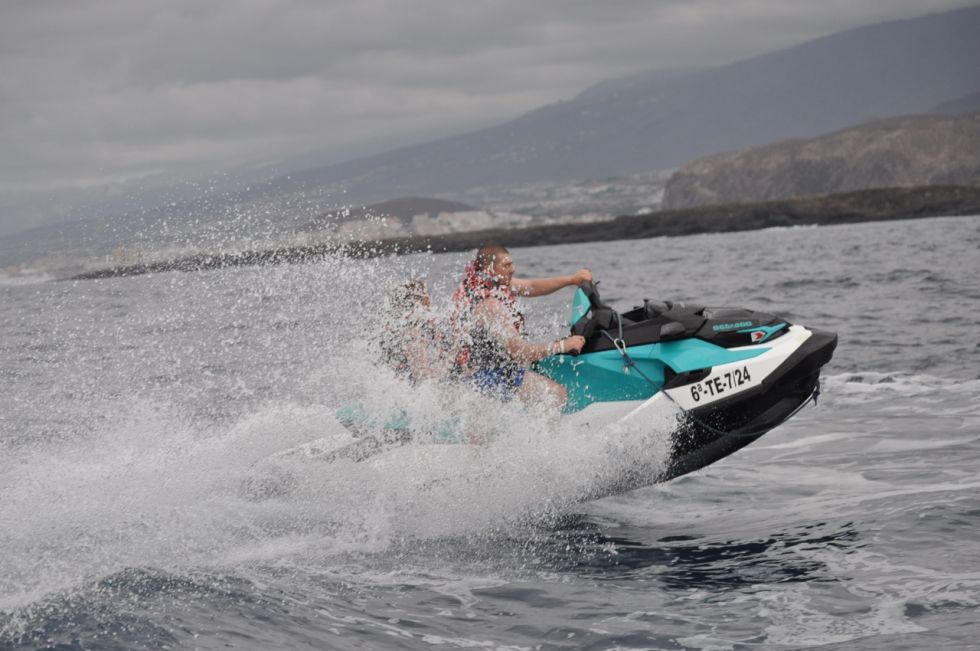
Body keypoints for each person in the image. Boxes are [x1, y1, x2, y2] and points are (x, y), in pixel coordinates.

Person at [451, 244, 590, 410]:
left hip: (490, 369)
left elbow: (531, 286)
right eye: (507, 265)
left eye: (512, 264)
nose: (513, 269)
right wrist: (563, 346)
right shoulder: (489, 305)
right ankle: (540, 436)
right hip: (482, 377)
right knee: (555, 394)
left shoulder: (489, 284)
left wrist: (571, 280)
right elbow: (519, 353)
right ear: (490, 270)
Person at [379, 278, 448, 384]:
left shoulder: (397, 328)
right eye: (427, 298)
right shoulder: (412, 332)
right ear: (422, 301)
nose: (430, 303)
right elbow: (422, 373)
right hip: (408, 387)